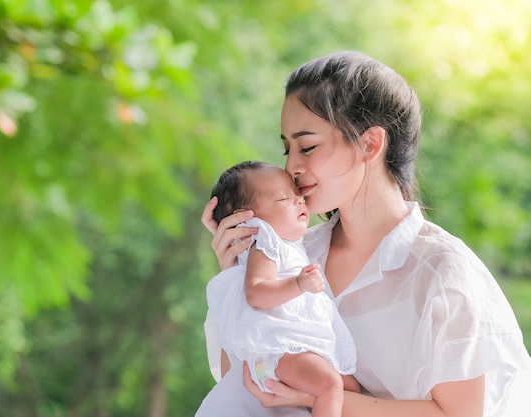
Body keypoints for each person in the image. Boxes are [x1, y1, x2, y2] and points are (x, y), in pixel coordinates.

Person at [200, 50, 531, 417]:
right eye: (287, 149)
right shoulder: (293, 255)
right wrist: (235, 276)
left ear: (371, 144)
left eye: (307, 146)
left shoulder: (440, 272)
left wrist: (318, 398)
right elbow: (245, 386)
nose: (291, 166)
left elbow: (458, 414)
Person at [196, 161, 359, 417]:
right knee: (331, 384)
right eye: (284, 198)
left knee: (350, 388)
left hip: (288, 352)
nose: (299, 200)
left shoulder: (292, 247)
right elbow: (257, 292)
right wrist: (298, 284)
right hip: (277, 352)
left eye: (297, 193)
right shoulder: (267, 242)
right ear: (249, 220)